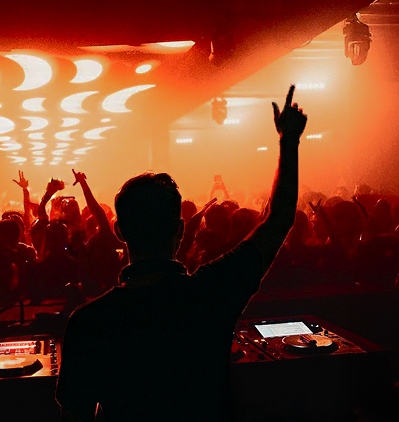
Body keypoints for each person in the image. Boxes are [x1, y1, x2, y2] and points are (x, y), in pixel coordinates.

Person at [55, 85, 307, 421]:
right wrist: (288, 142)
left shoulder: (88, 322)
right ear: (180, 230)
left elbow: (76, 416)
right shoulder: (210, 292)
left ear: (119, 232)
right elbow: (278, 220)